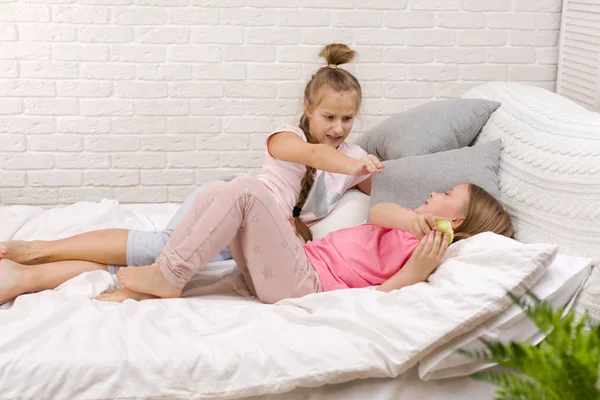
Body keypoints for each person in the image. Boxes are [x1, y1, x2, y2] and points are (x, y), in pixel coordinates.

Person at [0, 42, 382, 288]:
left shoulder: (350, 159)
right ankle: (38, 249)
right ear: (309, 109)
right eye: (330, 116)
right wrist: (354, 166)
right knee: (158, 248)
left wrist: (375, 168)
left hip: (243, 236)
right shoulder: (288, 137)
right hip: (228, 203)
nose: (338, 128)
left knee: (144, 268)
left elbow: (386, 190)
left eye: (348, 119)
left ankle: (27, 277)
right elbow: (315, 157)